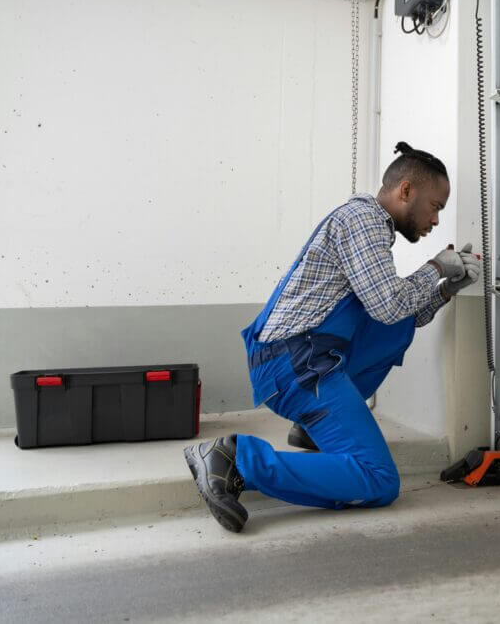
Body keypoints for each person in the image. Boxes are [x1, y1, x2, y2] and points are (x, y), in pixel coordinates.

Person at [184, 141, 482, 532]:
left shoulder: (373, 230)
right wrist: (433, 268)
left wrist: (446, 289)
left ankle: (311, 429)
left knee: (395, 328)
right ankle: (234, 460)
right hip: (294, 363)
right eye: (435, 206)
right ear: (406, 191)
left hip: (306, 358)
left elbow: (397, 316)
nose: (437, 220)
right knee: (378, 478)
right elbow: (390, 305)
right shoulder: (362, 221)